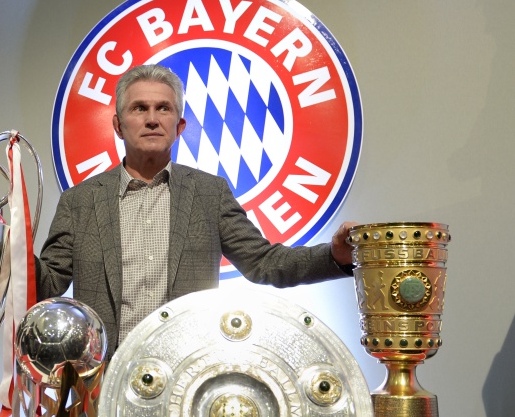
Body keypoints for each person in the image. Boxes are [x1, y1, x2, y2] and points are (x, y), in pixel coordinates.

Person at [36, 64, 355, 359]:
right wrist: (11, 251)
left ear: (179, 126)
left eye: (164, 108)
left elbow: (265, 263)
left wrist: (334, 256)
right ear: (118, 126)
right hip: (104, 381)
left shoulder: (209, 193)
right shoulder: (79, 201)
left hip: (186, 376)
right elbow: (48, 284)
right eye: (139, 108)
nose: (152, 119)